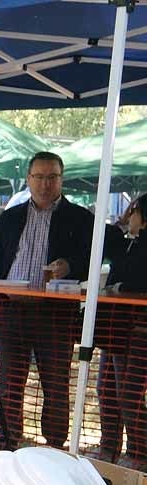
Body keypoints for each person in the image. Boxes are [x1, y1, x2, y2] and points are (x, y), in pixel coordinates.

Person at [0, 151, 94, 449]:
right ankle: (7, 443)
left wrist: (68, 266)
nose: (45, 184)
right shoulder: (9, 218)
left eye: (52, 177)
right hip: (11, 310)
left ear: (62, 179)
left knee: (56, 384)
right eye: (39, 177)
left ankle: (55, 447)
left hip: (56, 314)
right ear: (29, 180)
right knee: (9, 383)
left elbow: (92, 261)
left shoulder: (81, 219)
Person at [94, 194, 147, 470]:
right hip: (115, 328)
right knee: (106, 387)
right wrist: (122, 221)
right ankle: (109, 448)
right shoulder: (129, 243)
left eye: (134, 212)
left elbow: (131, 280)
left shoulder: (140, 248)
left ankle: (140, 452)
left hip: (139, 331)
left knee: (129, 392)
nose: (130, 216)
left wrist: (119, 287)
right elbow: (102, 244)